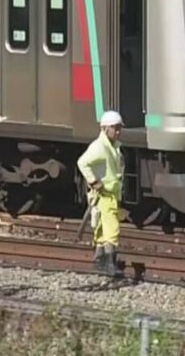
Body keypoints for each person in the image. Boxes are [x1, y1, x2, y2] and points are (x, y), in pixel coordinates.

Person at [76, 110, 125, 276]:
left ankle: (99, 259)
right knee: (112, 228)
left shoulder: (111, 146)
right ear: (105, 129)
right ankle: (110, 263)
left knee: (101, 227)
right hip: (105, 194)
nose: (118, 131)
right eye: (115, 128)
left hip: (107, 193)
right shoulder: (100, 147)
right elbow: (82, 162)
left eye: (119, 128)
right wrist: (94, 181)